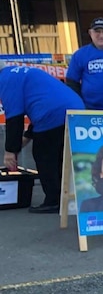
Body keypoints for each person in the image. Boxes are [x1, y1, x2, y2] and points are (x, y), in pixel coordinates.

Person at [0, 61, 84, 213]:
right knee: (61, 156)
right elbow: (40, 103)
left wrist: (10, 151)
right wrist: (24, 140)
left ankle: (54, 200)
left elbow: (14, 117)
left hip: (53, 114)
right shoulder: (19, 73)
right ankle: (70, 196)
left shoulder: (5, 81)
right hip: (73, 107)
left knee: (44, 155)